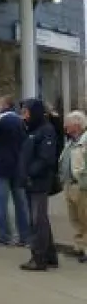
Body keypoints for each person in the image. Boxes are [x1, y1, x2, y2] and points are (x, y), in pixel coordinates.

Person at [0, 95, 31, 247]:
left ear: (4, 105)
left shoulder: (1, 120)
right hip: (18, 166)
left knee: (1, 202)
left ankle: (5, 235)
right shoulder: (20, 121)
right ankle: (25, 236)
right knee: (21, 203)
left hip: (2, 165)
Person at [19, 98, 59, 271]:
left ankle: (39, 258)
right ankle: (50, 256)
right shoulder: (31, 130)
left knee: (37, 220)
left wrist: (30, 172)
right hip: (30, 181)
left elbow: (46, 158)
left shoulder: (46, 130)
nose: (23, 116)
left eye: (26, 112)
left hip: (39, 181)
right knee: (40, 219)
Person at [60, 110, 87, 263]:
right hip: (69, 185)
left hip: (81, 186)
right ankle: (79, 247)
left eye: (67, 124)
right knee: (75, 219)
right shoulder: (71, 141)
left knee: (85, 218)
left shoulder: (85, 140)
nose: (65, 127)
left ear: (77, 125)